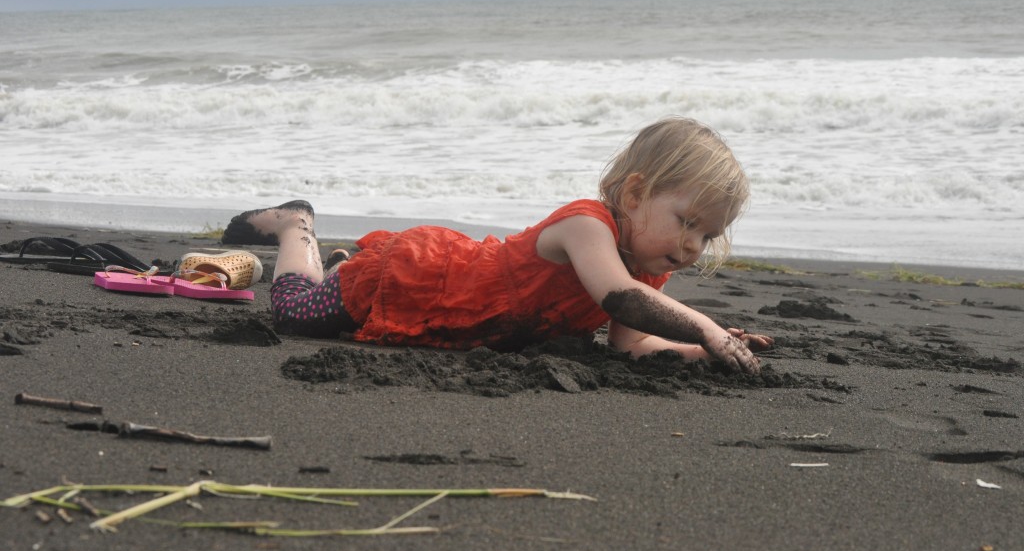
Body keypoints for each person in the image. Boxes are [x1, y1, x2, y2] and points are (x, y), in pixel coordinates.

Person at [224, 117, 772, 373]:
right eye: (687, 221)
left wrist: (706, 348)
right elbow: (618, 301)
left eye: (708, 235)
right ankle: (296, 226)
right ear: (635, 193)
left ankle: (341, 262)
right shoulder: (588, 227)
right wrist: (705, 325)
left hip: (456, 315)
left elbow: (627, 346)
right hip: (413, 281)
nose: (693, 244)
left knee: (318, 302)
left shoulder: (649, 269)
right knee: (294, 313)